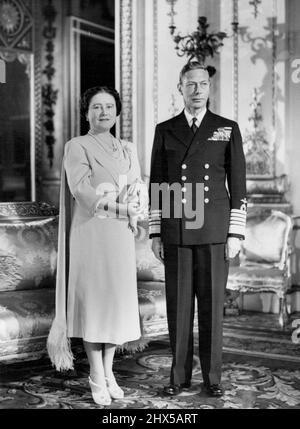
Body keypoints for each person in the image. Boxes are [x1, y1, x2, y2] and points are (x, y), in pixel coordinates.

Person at [149, 61, 247, 398]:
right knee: (178, 309)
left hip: (215, 230)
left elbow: (239, 185)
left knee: (211, 307)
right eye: (190, 85)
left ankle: (212, 378)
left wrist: (235, 234)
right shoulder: (166, 129)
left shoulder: (227, 128)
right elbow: (158, 184)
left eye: (202, 84)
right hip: (177, 229)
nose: (196, 91)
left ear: (209, 88)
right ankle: (178, 377)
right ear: (180, 88)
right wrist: (156, 232)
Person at [47, 86, 148, 406]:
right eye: (96, 107)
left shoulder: (128, 148)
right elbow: (84, 192)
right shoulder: (77, 146)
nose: (103, 112)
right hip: (91, 233)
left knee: (113, 307)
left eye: (108, 107)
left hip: (119, 237)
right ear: (86, 113)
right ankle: (95, 374)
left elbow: (136, 185)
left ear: (118, 113)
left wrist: (138, 205)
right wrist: (124, 210)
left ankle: (109, 373)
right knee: (95, 306)